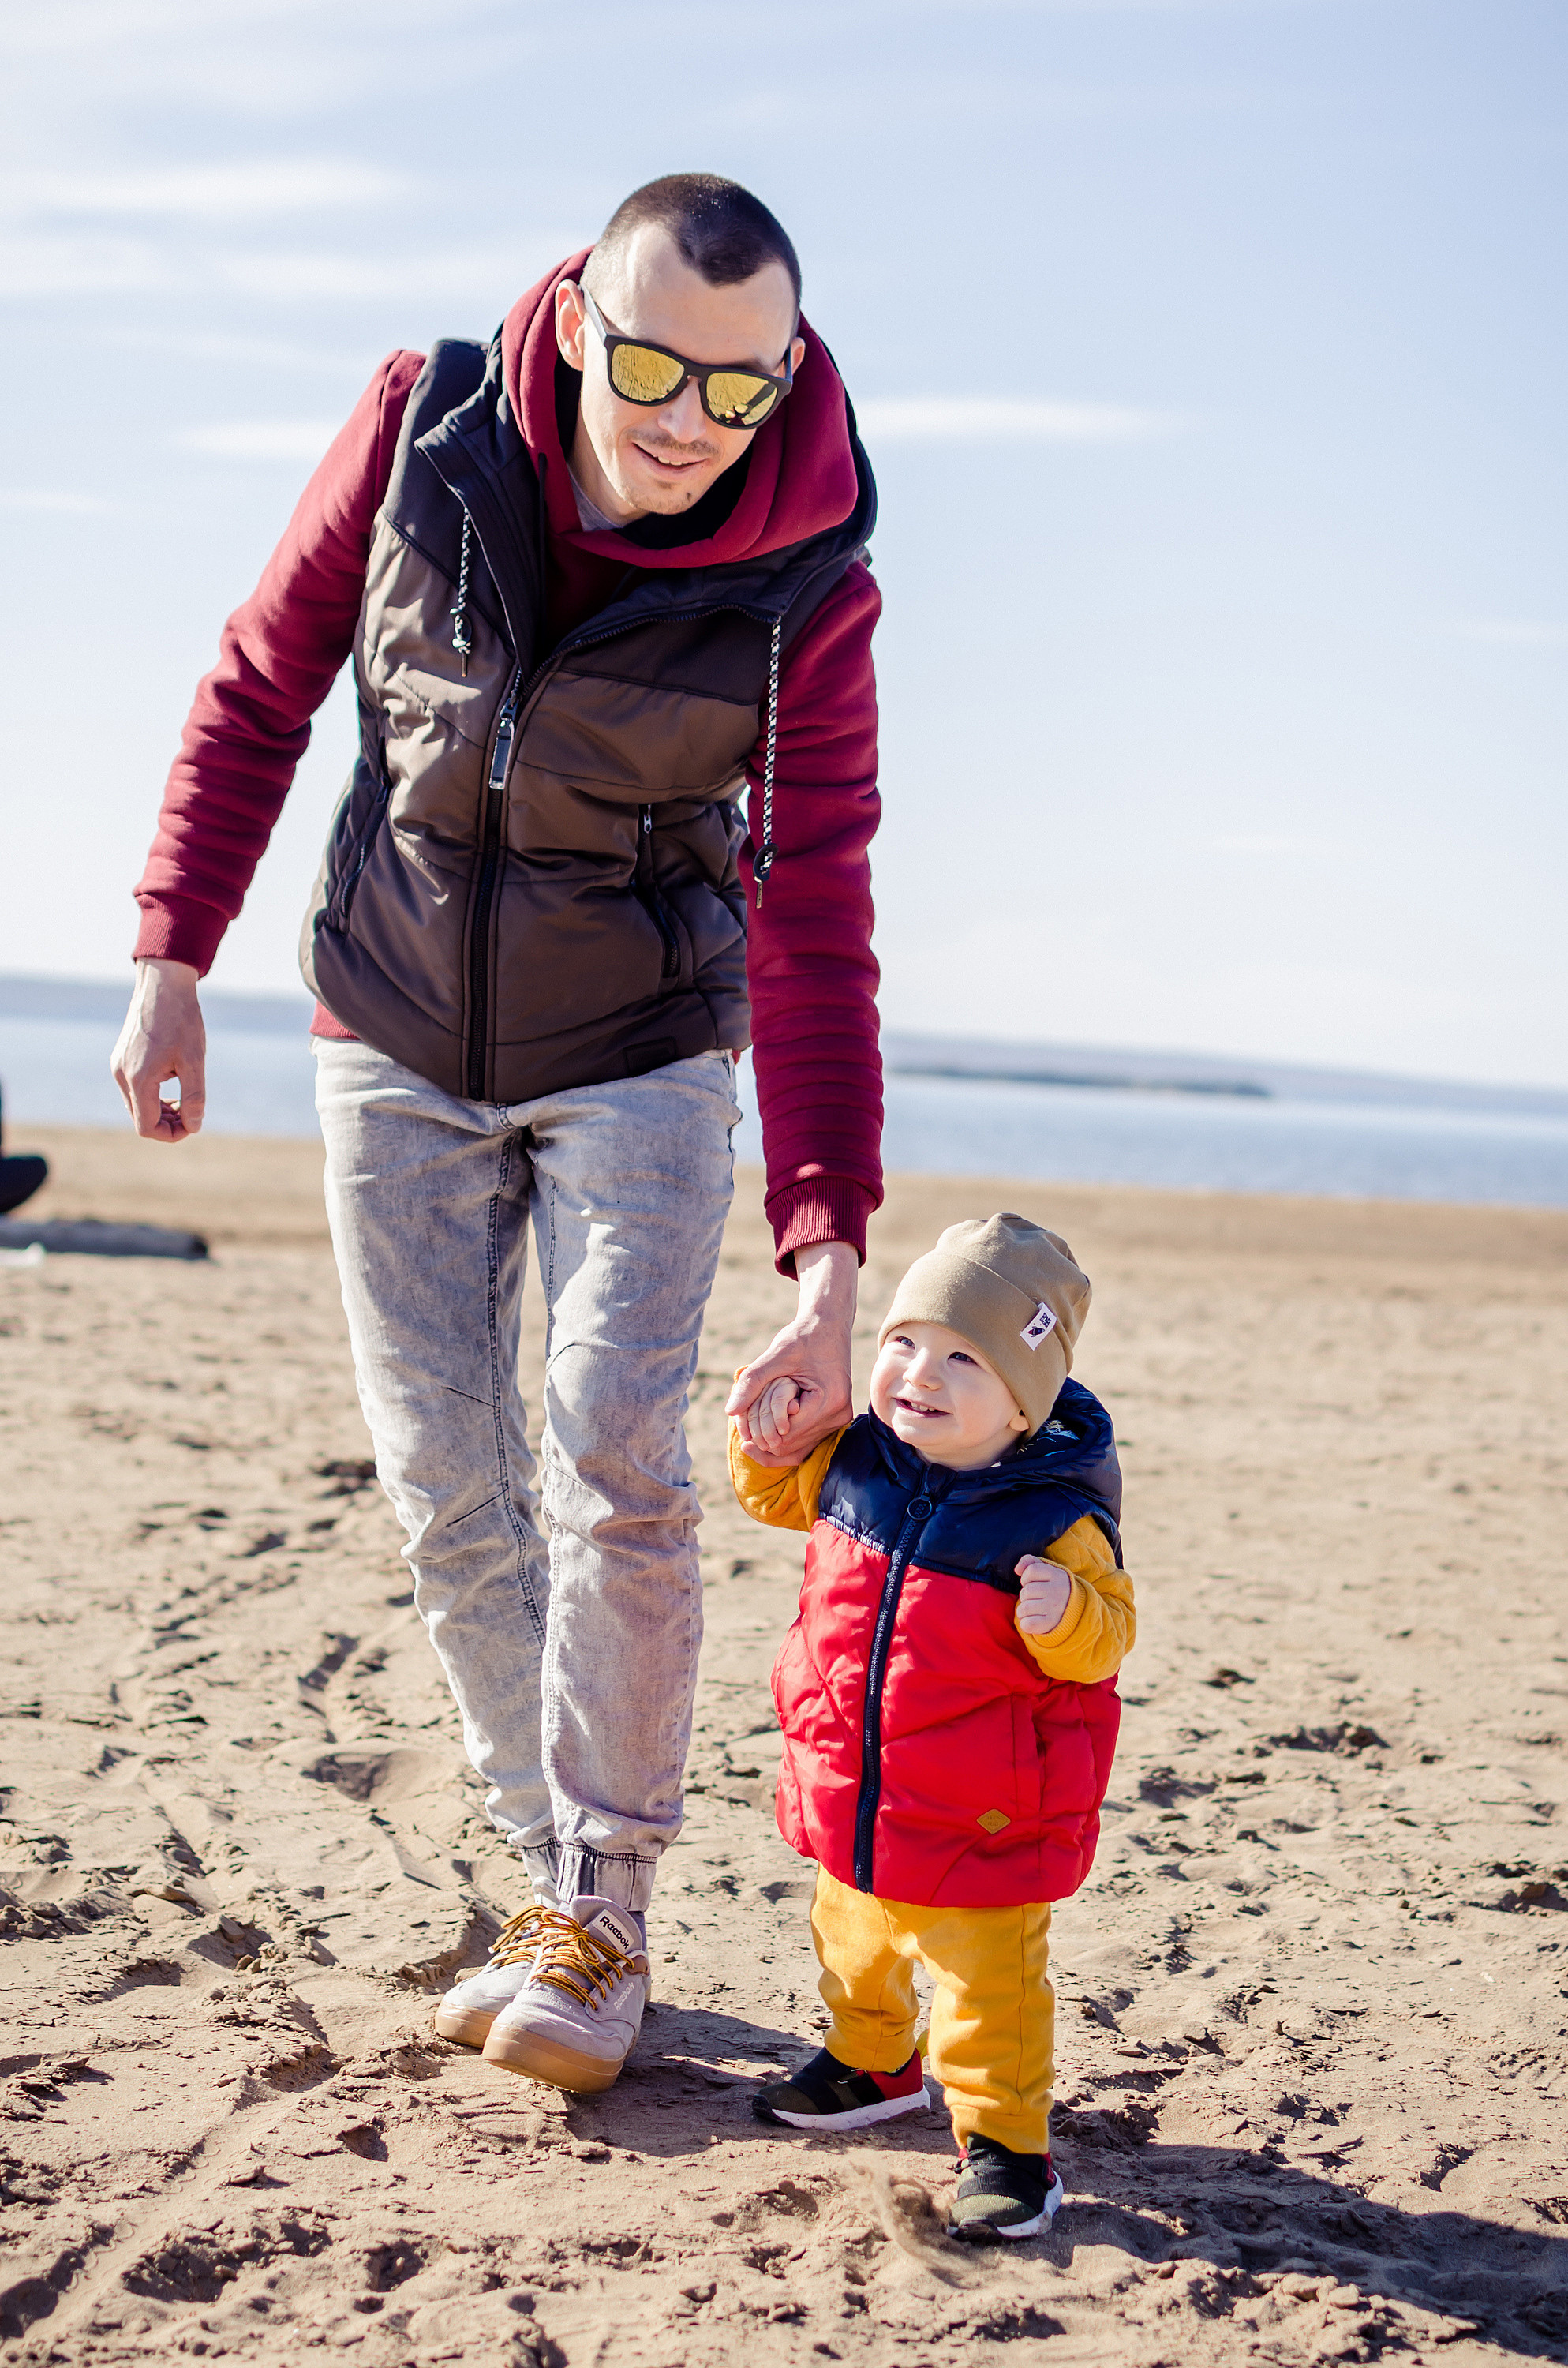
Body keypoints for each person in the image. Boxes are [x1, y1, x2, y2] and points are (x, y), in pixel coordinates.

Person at [112, 174, 884, 2096]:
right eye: (649, 365)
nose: (687, 421)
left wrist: (829, 1261)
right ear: (569, 318)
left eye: (739, 386)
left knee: (609, 1458)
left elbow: (816, 916)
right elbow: (260, 684)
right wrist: (169, 953)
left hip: (638, 1053)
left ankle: (606, 1913)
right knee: (447, 1491)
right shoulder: (423, 430)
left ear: (786, 375)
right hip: (385, 1037)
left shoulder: (809, 587)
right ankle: (549, 1891)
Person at [729, 1213, 1135, 2240]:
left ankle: (1006, 2145)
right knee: (852, 1945)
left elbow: (1107, 1637)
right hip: (855, 1790)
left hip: (982, 1813)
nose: (921, 1373)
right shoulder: (861, 1460)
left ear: (1022, 1402)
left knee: (985, 1991)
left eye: (964, 1357)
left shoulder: (1051, 1517)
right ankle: (872, 2062)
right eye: (903, 1343)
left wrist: (1065, 1613)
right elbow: (773, 1495)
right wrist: (766, 1440)